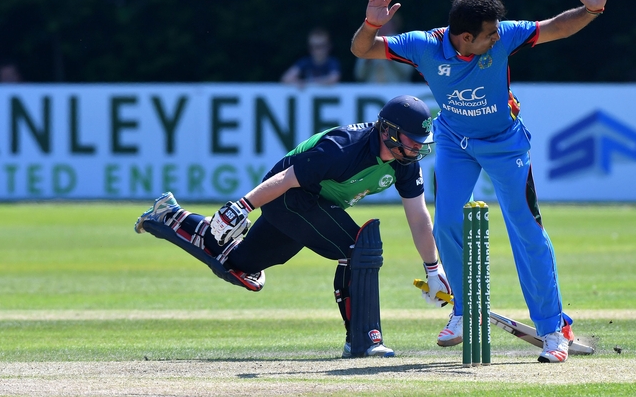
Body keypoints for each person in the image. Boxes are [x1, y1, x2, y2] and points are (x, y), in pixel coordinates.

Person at [350, 0, 610, 363]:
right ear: (465, 36)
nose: (496, 37)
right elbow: (362, 49)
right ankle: (462, 310)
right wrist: (370, 23)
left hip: (506, 145)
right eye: (489, 34)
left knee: (525, 229)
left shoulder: (502, 37)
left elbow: (555, 27)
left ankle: (554, 328)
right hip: (455, 142)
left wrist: (591, 11)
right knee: (448, 223)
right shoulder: (423, 46)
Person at [133, 95, 451, 358]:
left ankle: (169, 215)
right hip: (287, 196)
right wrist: (243, 206)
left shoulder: (405, 164)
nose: (416, 149)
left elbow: (419, 216)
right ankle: (363, 340)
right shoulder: (343, 148)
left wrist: (433, 269)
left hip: (314, 204)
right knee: (358, 247)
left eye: (421, 142)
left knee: (239, 265)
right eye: (411, 141)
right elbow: (285, 179)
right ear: (387, 131)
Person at [354, 18, 413, 83]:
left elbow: (407, 71)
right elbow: (359, 74)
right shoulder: (368, 42)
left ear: (393, 25)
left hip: (397, 89)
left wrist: (390, 56)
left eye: (385, 23)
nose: (382, 26)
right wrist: (368, 60)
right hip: (372, 90)